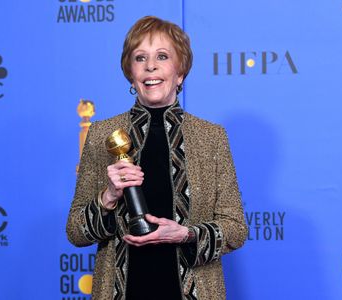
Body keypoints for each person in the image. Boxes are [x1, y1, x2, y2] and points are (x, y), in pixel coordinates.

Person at [66, 16, 248, 300]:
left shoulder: (211, 137)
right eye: (140, 58)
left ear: (180, 73)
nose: (150, 66)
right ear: (131, 73)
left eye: (162, 56)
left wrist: (185, 234)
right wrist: (108, 197)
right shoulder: (104, 134)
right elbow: (76, 232)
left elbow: (235, 229)